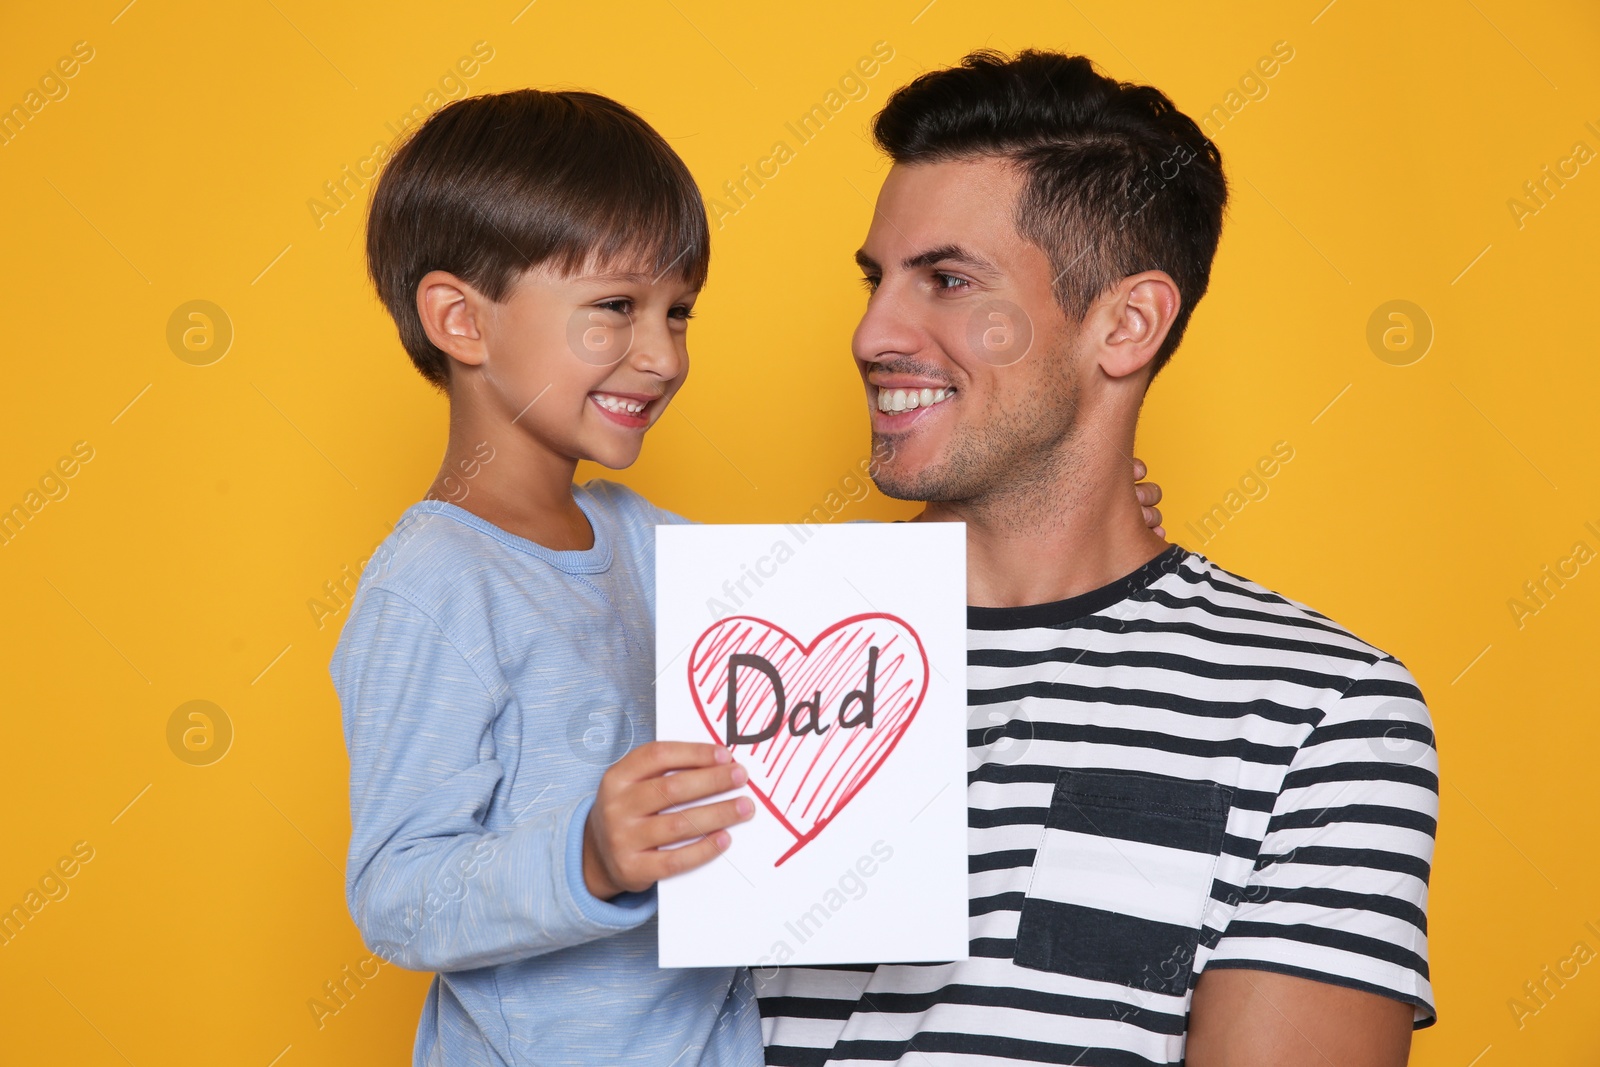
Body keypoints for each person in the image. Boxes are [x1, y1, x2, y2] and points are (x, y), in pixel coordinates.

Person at [757, 50, 1438, 1067]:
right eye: (876, 279)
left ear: (1125, 324)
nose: (870, 332)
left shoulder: (1319, 712)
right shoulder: (757, 646)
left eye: (945, 279)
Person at [329, 89, 763, 1066]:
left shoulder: (649, 542)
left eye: (677, 311)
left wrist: (1065, 521)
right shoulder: (434, 583)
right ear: (460, 320)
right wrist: (589, 855)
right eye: (615, 308)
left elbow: (834, 631)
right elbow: (399, 894)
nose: (661, 355)